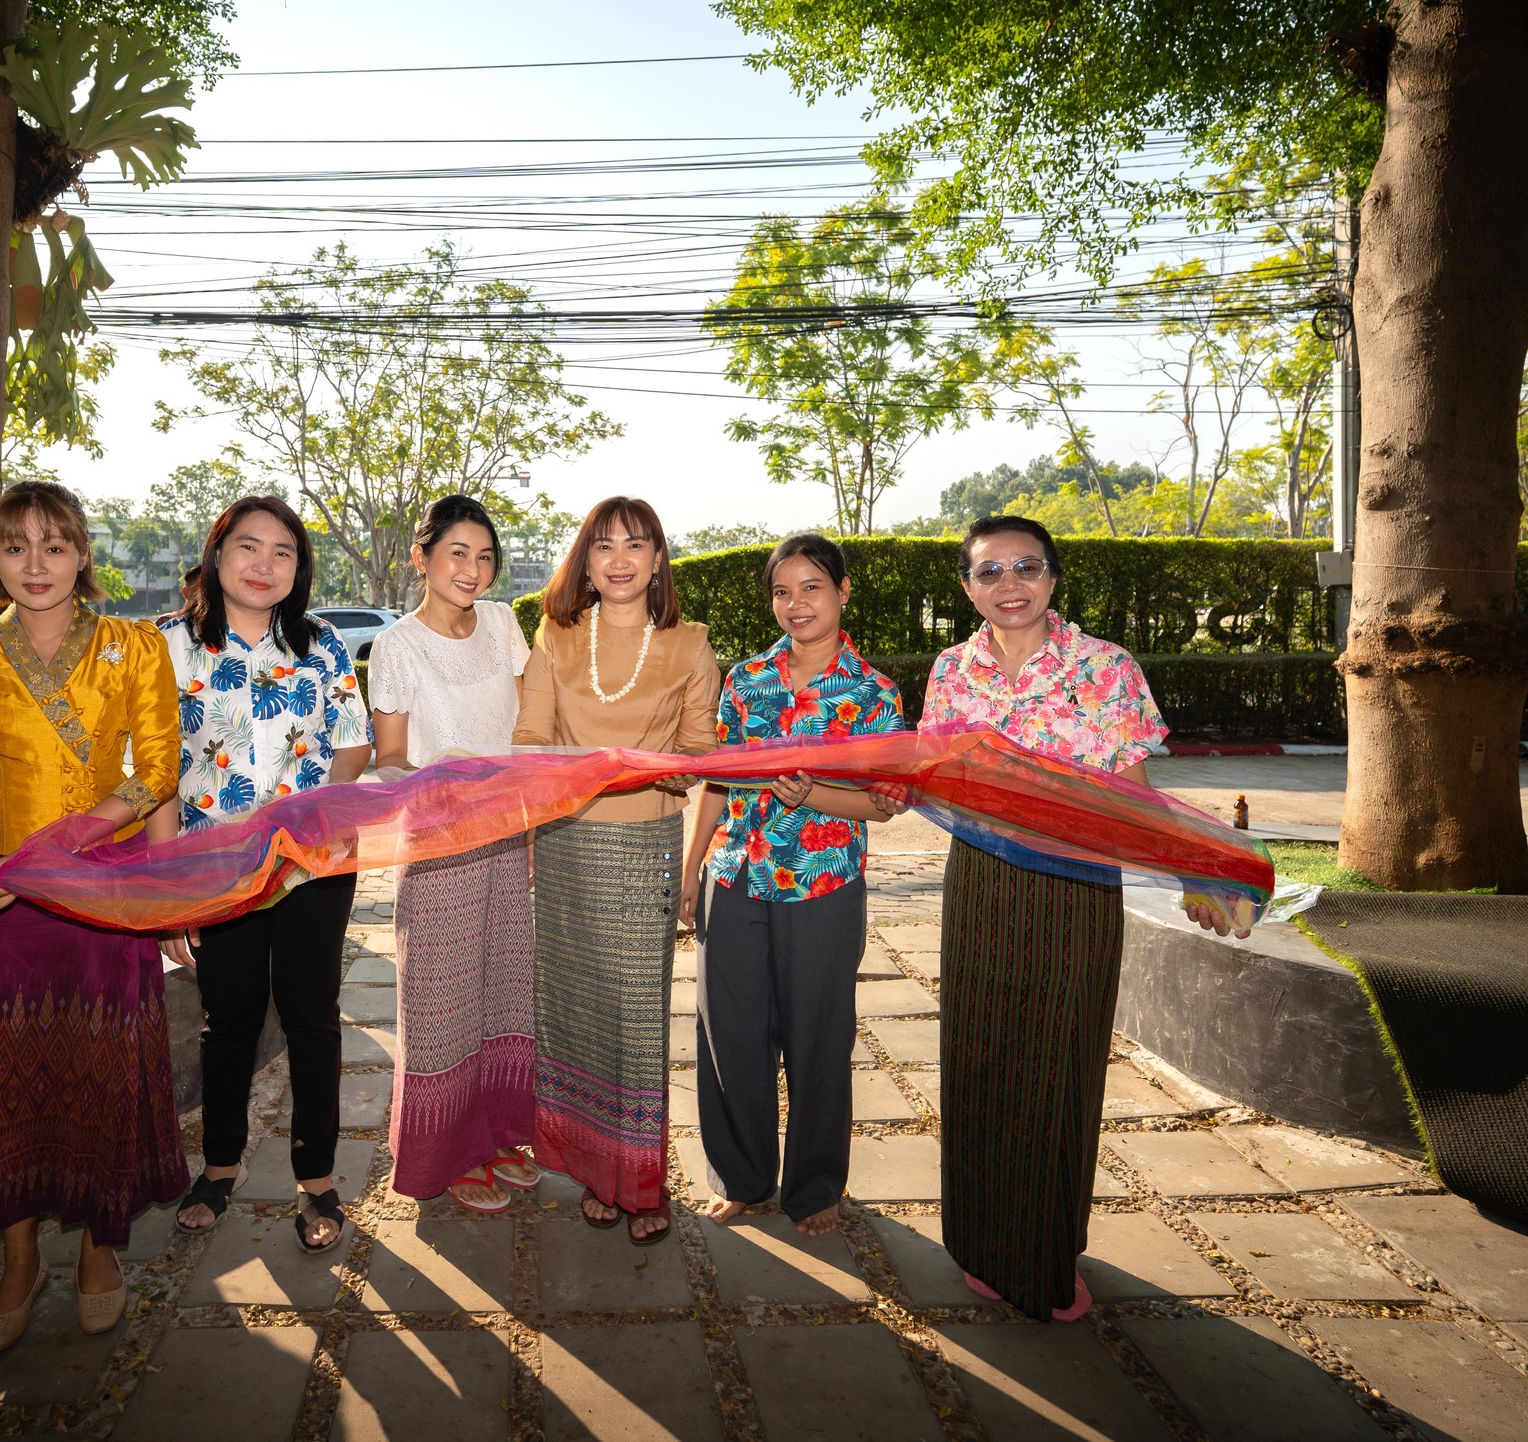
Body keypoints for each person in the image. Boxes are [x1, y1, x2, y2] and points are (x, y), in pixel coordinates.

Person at [912, 512, 1242, 1321]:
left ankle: (1047, 1252)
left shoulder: (1105, 668)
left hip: (1078, 887)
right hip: (983, 882)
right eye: (990, 571)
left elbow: (1133, 789)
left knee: (1059, 1064)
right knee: (979, 1055)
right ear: (967, 587)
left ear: (1053, 578)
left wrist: (1192, 869)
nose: (1010, 584)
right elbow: (936, 776)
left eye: (1027, 567)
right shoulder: (952, 672)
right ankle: (981, 1241)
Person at [0, 481, 186, 1355]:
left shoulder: (135, 644)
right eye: (14, 546)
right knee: (4, 1077)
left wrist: (67, 847)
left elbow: (154, 771)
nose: (35, 564)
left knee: (99, 1067)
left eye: (55, 545)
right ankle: (19, 1256)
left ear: (83, 555)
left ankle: (101, 1247)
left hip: (100, 892)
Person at [160, 496, 370, 1254]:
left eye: (282, 552)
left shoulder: (321, 643)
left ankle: (316, 1177)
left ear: (298, 568)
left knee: (312, 1015)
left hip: (313, 861)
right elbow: (157, 771)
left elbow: (352, 744)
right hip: (214, 864)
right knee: (230, 1020)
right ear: (215, 555)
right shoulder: (168, 646)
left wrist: (309, 817)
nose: (263, 563)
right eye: (247, 546)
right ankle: (218, 1166)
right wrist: (167, 892)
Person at [680, 534, 907, 1238]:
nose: (796, 602)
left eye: (812, 586)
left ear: (842, 592)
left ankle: (814, 1187)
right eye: (783, 590)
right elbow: (718, 781)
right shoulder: (747, 678)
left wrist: (812, 796)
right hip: (737, 873)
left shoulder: (874, 691)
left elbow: (882, 802)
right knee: (732, 1033)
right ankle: (743, 1176)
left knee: (818, 1036)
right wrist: (692, 871)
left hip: (824, 884)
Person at [512, 497, 718, 1245]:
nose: (621, 558)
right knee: (575, 1011)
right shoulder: (557, 634)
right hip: (566, 848)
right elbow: (531, 738)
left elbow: (699, 753)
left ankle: (642, 1178)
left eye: (637, 544)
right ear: (586, 561)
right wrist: (582, 773)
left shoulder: (690, 643)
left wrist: (640, 770)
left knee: (635, 1015)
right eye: (604, 545)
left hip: (644, 850)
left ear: (659, 559)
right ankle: (597, 1171)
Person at [369, 494, 538, 1214]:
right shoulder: (398, 645)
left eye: (485, 556)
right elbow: (390, 759)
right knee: (441, 999)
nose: (473, 570)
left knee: (506, 986)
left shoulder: (503, 623)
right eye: (457, 553)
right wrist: (446, 787)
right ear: (423, 557)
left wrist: (526, 798)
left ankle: (500, 1131)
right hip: (439, 844)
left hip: (510, 835)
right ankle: (449, 1151)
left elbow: (529, 725)